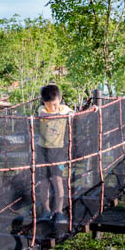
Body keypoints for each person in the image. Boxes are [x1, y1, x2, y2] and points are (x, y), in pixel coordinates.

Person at [36, 84, 73, 224]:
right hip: (43, 149)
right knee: (44, 181)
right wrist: (56, 114)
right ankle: (46, 210)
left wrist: (93, 109)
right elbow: (43, 114)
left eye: (55, 104)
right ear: (43, 103)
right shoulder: (42, 109)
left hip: (58, 150)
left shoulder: (65, 109)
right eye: (49, 105)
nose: (53, 108)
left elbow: (73, 113)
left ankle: (59, 211)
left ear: (60, 99)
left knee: (57, 180)